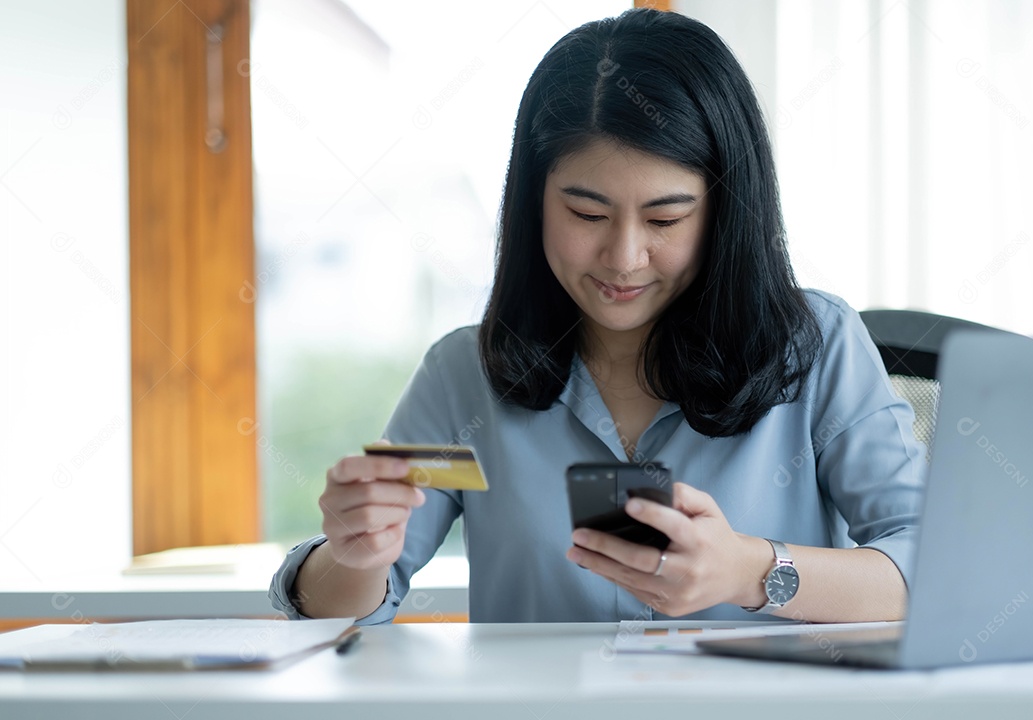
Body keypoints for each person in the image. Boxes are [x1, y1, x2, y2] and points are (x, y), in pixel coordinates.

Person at [269, 8, 925, 625]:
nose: (623, 257)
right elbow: (355, 605)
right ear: (535, 203)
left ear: (725, 213)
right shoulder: (463, 377)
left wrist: (752, 572)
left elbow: (927, 562)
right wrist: (355, 555)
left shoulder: (817, 346)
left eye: (665, 219)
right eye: (586, 214)